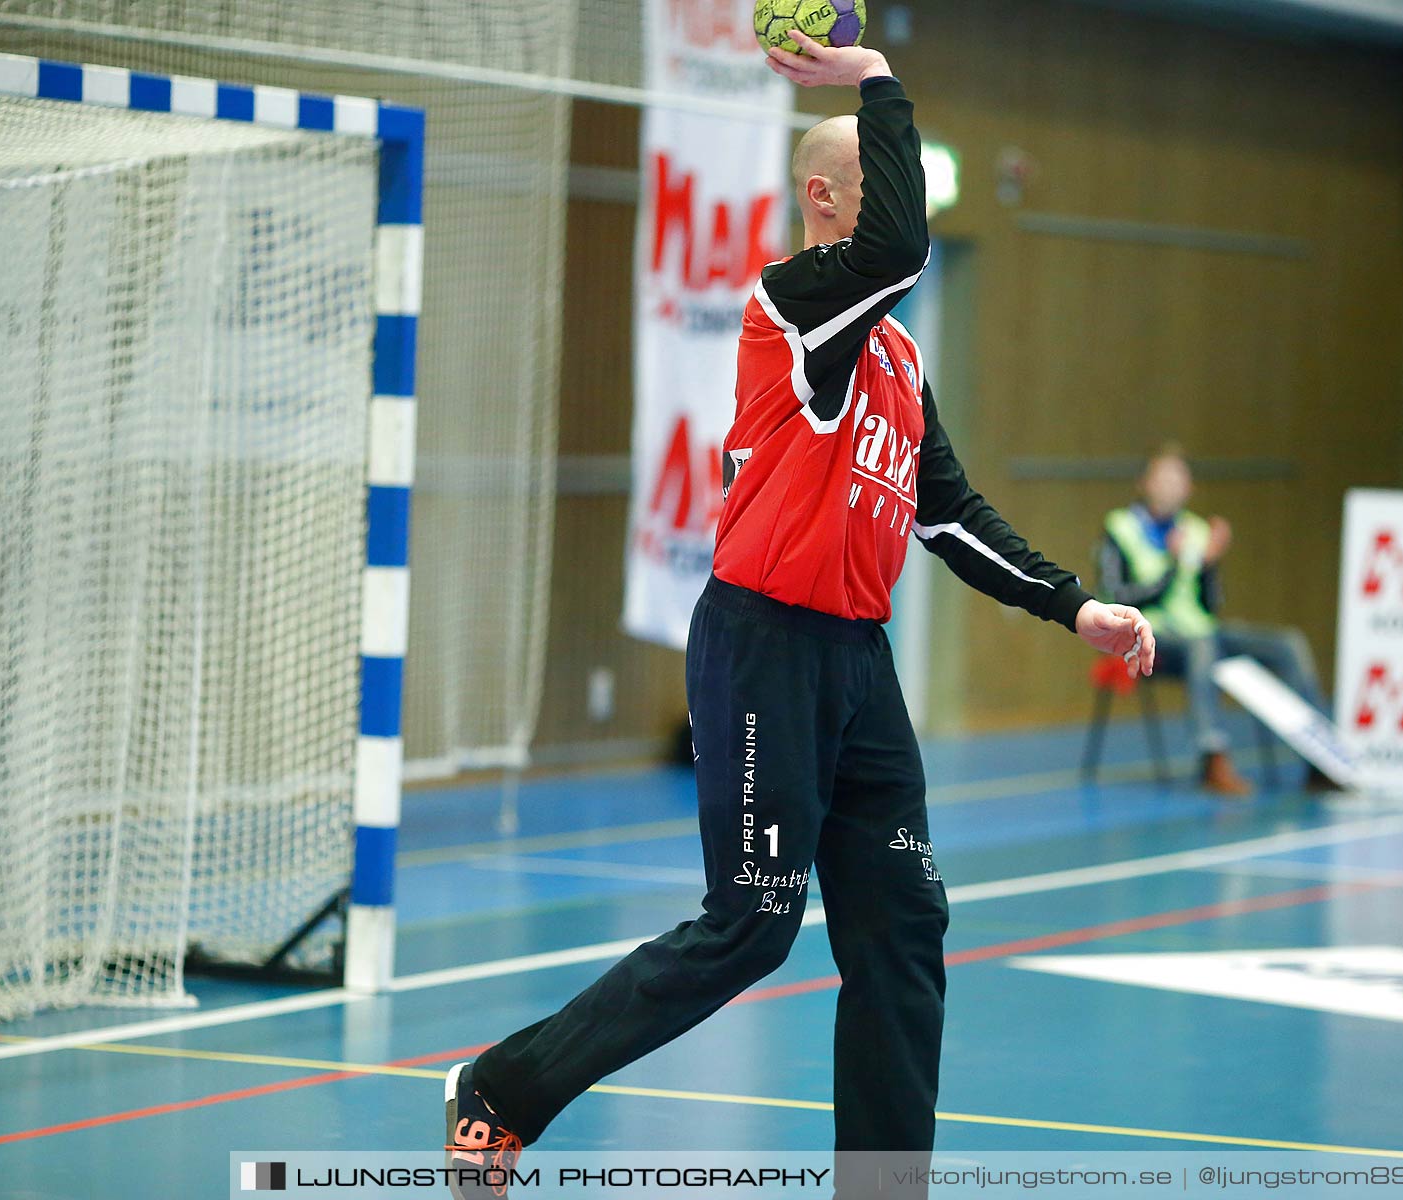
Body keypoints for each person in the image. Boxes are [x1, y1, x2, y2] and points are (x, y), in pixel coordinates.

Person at [440, 31, 1156, 1200]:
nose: (906, 208)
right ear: (825, 196)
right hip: (764, 643)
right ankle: (501, 1091)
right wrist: (873, 73)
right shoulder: (791, 309)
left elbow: (950, 513)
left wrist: (1075, 609)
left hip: (856, 666)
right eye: (886, 175)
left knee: (904, 925)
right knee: (753, 927)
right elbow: (902, 243)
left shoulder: (901, 360)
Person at [1097, 446, 1327, 797]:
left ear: (1189, 488)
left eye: (1179, 478)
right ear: (1144, 483)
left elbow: (1210, 605)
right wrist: (1173, 567)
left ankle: (1320, 757)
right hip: (1148, 641)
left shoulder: (1196, 529)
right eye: (1163, 477)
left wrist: (1209, 565)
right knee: (1202, 646)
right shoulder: (1120, 528)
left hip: (1201, 632)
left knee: (1288, 643)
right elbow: (1115, 599)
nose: (1171, 485)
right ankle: (1212, 756)